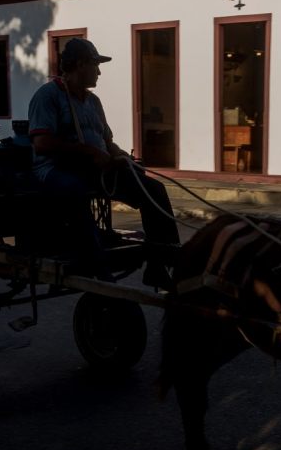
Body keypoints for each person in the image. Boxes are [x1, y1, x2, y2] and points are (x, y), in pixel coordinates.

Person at [27, 38, 179, 289]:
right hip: (55, 170)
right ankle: (98, 267)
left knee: (153, 190)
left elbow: (107, 142)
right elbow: (41, 144)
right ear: (80, 65)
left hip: (95, 169)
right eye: (95, 65)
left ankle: (159, 265)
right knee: (74, 192)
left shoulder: (93, 102)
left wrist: (122, 157)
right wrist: (88, 151)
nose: (98, 72)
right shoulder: (47, 96)